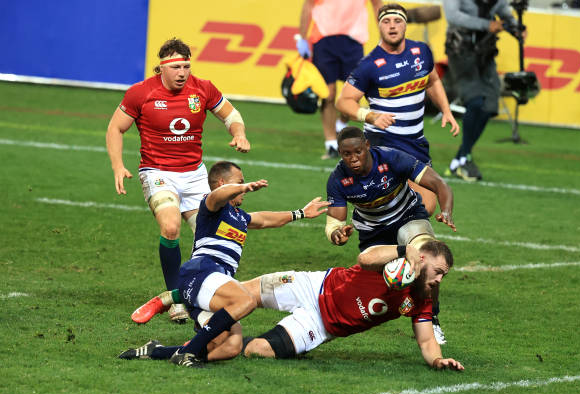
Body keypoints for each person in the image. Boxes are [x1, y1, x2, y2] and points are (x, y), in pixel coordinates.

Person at [120, 241, 464, 371]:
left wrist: (437, 359)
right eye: (436, 272)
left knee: (252, 350)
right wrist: (401, 251)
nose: (438, 280)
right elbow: (364, 256)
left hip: (322, 327)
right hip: (312, 285)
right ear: (421, 259)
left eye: (443, 276)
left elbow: (425, 340)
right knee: (243, 296)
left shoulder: (423, 299)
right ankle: (182, 298)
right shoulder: (394, 261)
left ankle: (162, 349)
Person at [123, 161, 329, 367]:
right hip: (201, 272)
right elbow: (217, 195)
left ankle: (157, 351)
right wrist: (241, 187)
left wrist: (301, 213)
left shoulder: (240, 217)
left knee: (231, 347)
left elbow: (266, 219)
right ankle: (187, 353)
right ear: (222, 183)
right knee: (246, 301)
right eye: (239, 181)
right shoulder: (211, 206)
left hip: (214, 286)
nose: (244, 188)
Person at [105, 38, 251, 323]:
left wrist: (239, 132)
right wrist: (118, 166)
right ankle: (175, 299)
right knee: (170, 226)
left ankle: (201, 294)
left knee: (210, 237)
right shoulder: (140, 93)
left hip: (195, 175)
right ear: (162, 68)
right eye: (176, 67)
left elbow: (231, 114)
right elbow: (115, 128)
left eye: (186, 65)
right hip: (157, 173)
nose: (182, 72)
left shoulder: (203, 88)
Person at [325, 126, 455, 344]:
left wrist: (446, 210)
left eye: (358, 151)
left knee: (427, 258)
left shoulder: (392, 158)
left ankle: (431, 319)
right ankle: (333, 321)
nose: (354, 159)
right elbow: (334, 222)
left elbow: (439, 183)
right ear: (340, 153)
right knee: (378, 282)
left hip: (408, 216)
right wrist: (336, 234)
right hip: (372, 232)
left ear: (367, 145)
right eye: (347, 154)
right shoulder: (338, 179)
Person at [336, 3, 459, 216]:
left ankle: (396, 243)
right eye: (386, 22)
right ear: (379, 26)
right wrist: (371, 116)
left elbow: (433, 81)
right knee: (390, 206)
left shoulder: (421, 51)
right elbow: (343, 102)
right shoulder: (369, 64)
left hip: (415, 143)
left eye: (397, 21)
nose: (392, 26)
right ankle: (380, 239)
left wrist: (446, 110)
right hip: (382, 144)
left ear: (405, 25)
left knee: (426, 206)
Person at [441, 0, 519, 181]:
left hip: (486, 51)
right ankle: (465, 158)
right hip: (460, 50)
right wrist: (486, 25)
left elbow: (505, 12)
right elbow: (453, 16)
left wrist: (516, 27)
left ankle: (460, 159)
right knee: (475, 101)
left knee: (490, 105)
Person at [296, 0, 383, 159]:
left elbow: (377, 5)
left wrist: (383, 34)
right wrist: (302, 37)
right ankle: (330, 143)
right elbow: (308, 5)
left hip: (353, 39)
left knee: (354, 94)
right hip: (323, 38)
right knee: (327, 94)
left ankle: (341, 124)